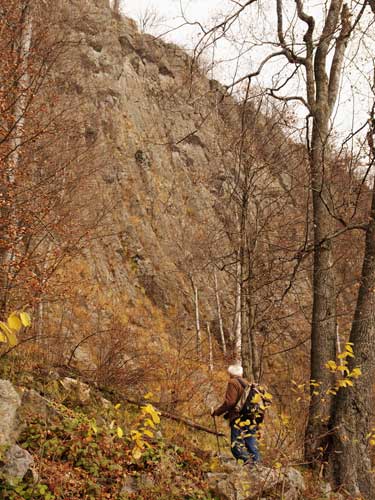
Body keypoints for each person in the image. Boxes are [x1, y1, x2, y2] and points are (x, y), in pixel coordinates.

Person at [211, 364, 260, 465]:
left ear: (230, 374)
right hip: (250, 418)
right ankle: (258, 468)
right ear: (241, 374)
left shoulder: (232, 382)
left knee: (236, 446)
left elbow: (230, 402)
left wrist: (217, 412)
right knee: (251, 444)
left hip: (238, 419)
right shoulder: (248, 384)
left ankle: (248, 462)